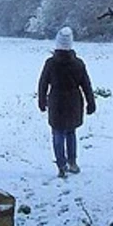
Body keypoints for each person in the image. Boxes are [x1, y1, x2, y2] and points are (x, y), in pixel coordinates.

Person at [38, 26, 95, 179]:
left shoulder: (50, 63)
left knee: (57, 133)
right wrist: (91, 102)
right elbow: (86, 84)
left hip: (56, 101)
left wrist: (42, 100)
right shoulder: (79, 63)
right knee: (71, 132)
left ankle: (61, 165)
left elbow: (43, 83)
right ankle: (72, 162)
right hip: (74, 102)